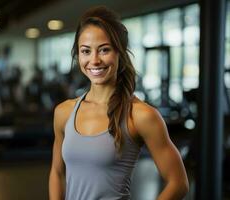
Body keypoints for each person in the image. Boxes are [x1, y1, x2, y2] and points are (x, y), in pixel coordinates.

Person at [49, 6, 189, 200]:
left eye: (104, 50)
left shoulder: (141, 115)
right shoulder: (64, 112)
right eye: (86, 51)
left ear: (119, 53)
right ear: (78, 56)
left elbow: (179, 183)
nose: (94, 60)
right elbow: (57, 173)